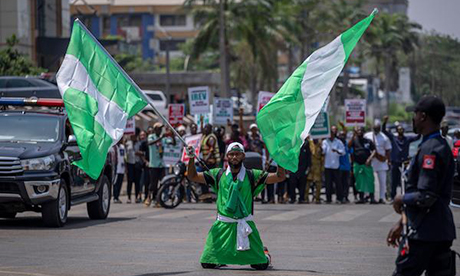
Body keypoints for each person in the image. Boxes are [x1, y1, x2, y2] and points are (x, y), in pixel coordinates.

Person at [187, 142, 286, 270]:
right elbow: (192, 176)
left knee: (260, 265)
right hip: (222, 227)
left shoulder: (253, 175)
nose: (234, 157)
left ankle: (264, 253)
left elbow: (280, 177)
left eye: (237, 154)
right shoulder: (217, 174)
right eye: (231, 154)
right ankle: (222, 256)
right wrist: (190, 158)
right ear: (227, 157)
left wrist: (280, 160)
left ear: (243, 156)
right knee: (207, 263)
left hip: (245, 226)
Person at [388, 95, 456, 276]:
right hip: (436, 231)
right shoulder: (434, 145)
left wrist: (400, 198)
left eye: (416, 114)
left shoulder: (431, 149)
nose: (413, 118)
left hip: (425, 234)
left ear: (423, 117)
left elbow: (426, 196)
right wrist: (402, 223)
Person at [382, 116, 421, 200]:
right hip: (395, 162)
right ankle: (393, 197)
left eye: (402, 129)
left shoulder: (407, 139)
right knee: (394, 181)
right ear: (397, 131)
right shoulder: (393, 138)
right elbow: (384, 131)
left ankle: (405, 196)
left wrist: (417, 125)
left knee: (405, 180)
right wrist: (384, 122)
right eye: (399, 129)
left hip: (404, 163)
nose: (400, 131)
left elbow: (418, 137)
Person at [145, 123, 175, 207]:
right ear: (155, 129)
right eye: (158, 129)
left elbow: (173, 143)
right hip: (153, 164)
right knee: (153, 183)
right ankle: (150, 197)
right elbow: (149, 143)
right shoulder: (151, 136)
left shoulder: (163, 139)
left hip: (161, 164)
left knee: (163, 182)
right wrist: (161, 137)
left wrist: (172, 135)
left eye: (161, 129)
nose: (160, 130)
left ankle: (158, 198)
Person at [365, 120, 392, 204]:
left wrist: (388, 160)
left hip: (381, 161)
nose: (376, 129)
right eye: (375, 128)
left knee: (382, 181)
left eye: (377, 128)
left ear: (380, 128)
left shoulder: (385, 137)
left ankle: (382, 198)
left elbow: (388, 150)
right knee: (369, 180)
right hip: (370, 160)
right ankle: (369, 196)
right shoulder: (367, 135)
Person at [349, 126, 376, 204]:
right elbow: (348, 146)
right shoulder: (354, 140)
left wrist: (369, 159)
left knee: (370, 180)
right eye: (358, 130)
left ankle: (372, 198)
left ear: (364, 132)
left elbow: (374, 150)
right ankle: (361, 198)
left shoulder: (368, 141)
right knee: (359, 181)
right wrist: (353, 135)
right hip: (357, 164)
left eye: (361, 130)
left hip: (366, 164)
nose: (359, 132)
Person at [322, 126, 345, 204]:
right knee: (328, 183)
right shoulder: (325, 142)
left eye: (332, 133)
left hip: (335, 165)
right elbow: (323, 151)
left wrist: (337, 151)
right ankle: (328, 199)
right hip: (327, 165)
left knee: (338, 183)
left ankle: (339, 198)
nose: (331, 135)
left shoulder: (338, 142)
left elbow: (343, 152)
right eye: (330, 133)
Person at [289, 139, 311, 204]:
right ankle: (292, 198)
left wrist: (308, 167)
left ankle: (301, 198)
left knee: (302, 184)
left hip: (303, 168)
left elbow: (308, 157)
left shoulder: (306, 144)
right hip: (293, 167)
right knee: (292, 183)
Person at [338, 122, 352, 203]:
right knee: (340, 183)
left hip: (347, 167)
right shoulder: (337, 143)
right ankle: (340, 197)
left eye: (343, 135)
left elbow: (350, 154)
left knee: (346, 183)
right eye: (341, 135)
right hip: (339, 167)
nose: (342, 137)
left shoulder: (347, 144)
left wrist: (343, 126)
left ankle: (345, 197)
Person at [125, 134, 142, 203]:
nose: (133, 137)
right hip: (130, 164)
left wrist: (139, 153)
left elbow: (143, 152)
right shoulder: (127, 144)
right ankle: (129, 197)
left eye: (134, 136)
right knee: (130, 181)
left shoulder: (139, 143)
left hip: (137, 164)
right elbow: (125, 155)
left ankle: (136, 197)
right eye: (131, 136)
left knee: (137, 182)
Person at [306, 138, 324, 204]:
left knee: (318, 183)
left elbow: (322, 157)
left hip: (318, 166)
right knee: (307, 183)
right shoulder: (310, 144)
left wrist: (322, 168)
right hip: (310, 166)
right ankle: (306, 198)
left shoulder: (321, 145)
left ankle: (317, 198)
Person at [113, 139, 126, 204]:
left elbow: (124, 156)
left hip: (122, 168)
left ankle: (117, 196)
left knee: (120, 183)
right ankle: (115, 197)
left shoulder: (122, 147)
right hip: (116, 168)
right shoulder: (114, 146)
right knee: (116, 184)